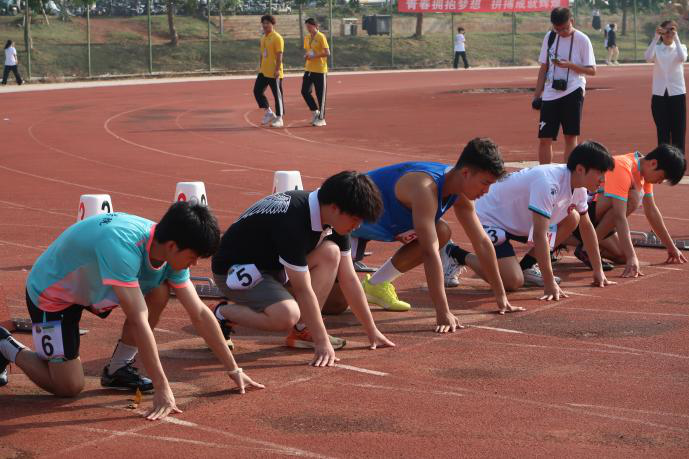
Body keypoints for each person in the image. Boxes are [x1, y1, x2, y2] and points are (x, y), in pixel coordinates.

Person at [0, 202, 263, 420]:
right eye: (193, 257)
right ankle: (5, 344)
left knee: (159, 291)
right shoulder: (122, 246)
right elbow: (138, 320)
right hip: (53, 294)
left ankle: (118, 369)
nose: (194, 264)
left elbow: (200, 313)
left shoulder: (170, 248)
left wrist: (233, 368)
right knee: (67, 387)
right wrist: (162, 388)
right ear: (173, 246)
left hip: (95, 285)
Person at [212, 171, 395, 368]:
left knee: (331, 252)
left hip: (274, 265)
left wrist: (371, 330)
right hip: (234, 270)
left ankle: (303, 330)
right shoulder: (293, 220)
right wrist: (322, 342)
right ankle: (222, 314)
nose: (357, 226)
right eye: (356, 219)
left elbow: (349, 278)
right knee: (286, 315)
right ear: (335, 208)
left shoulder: (333, 218)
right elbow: (303, 289)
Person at [353, 138, 524, 334]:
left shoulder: (460, 190)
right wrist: (442, 312)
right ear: (466, 173)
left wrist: (501, 296)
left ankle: (376, 284)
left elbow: (482, 242)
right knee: (334, 307)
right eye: (484, 183)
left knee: (441, 231)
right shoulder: (426, 188)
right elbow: (429, 252)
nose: (486, 191)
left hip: (383, 226)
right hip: (347, 224)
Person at [444, 141, 616, 300]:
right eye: (600, 173)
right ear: (580, 169)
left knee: (573, 218)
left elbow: (586, 228)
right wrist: (549, 284)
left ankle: (527, 266)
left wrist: (598, 270)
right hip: (491, 217)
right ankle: (455, 253)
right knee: (512, 281)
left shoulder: (579, 187)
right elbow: (540, 235)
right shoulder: (548, 183)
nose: (603, 179)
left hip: (521, 220)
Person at [571, 144, 687, 276]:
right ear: (653, 163)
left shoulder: (644, 172)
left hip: (595, 219)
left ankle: (571, 241)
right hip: (582, 212)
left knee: (622, 257)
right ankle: (586, 247)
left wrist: (671, 246)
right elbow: (619, 216)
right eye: (661, 178)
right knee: (634, 197)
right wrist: (632, 256)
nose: (659, 182)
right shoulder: (622, 166)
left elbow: (652, 211)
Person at [532, 7, 596, 165]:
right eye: (557, 29)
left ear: (572, 21)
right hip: (550, 93)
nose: (562, 32)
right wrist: (537, 94)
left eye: (565, 28)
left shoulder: (582, 39)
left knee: (570, 136)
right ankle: (545, 175)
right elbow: (543, 67)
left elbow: (592, 70)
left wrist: (570, 65)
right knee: (545, 137)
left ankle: (569, 178)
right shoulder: (550, 37)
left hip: (573, 90)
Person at [645, 20, 688, 153]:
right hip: (659, 95)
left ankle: (678, 164)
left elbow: (683, 58)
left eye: (672, 29)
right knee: (662, 130)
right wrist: (656, 37)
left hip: (677, 94)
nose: (669, 33)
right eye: (666, 30)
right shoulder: (657, 49)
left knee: (678, 130)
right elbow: (647, 57)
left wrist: (676, 37)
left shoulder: (681, 47)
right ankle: (664, 163)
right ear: (662, 32)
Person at [254, 15, 285, 128]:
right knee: (257, 91)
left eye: (267, 23)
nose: (265, 25)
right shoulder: (263, 38)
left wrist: (277, 69)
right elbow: (262, 54)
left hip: (274, 72)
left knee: (278, 96)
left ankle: (279, 118)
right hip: (264, 71)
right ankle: (268, 112)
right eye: (263, 23)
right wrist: (260, 66)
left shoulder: (277, 38)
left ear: (273, 24)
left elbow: (279, 56)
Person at [301, 17, 330, 127]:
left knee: (320, 95)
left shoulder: (321, 36)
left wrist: (315, 56)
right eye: (307, 26)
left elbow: (327, 52)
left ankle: (322, 119)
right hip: (309, 69)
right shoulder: (307, 37)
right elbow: (308, 51)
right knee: (304, 91)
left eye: (310, 26)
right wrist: (307, 55)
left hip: (320, 70)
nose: (308, 28)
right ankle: (315, 112)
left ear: (315, 26)